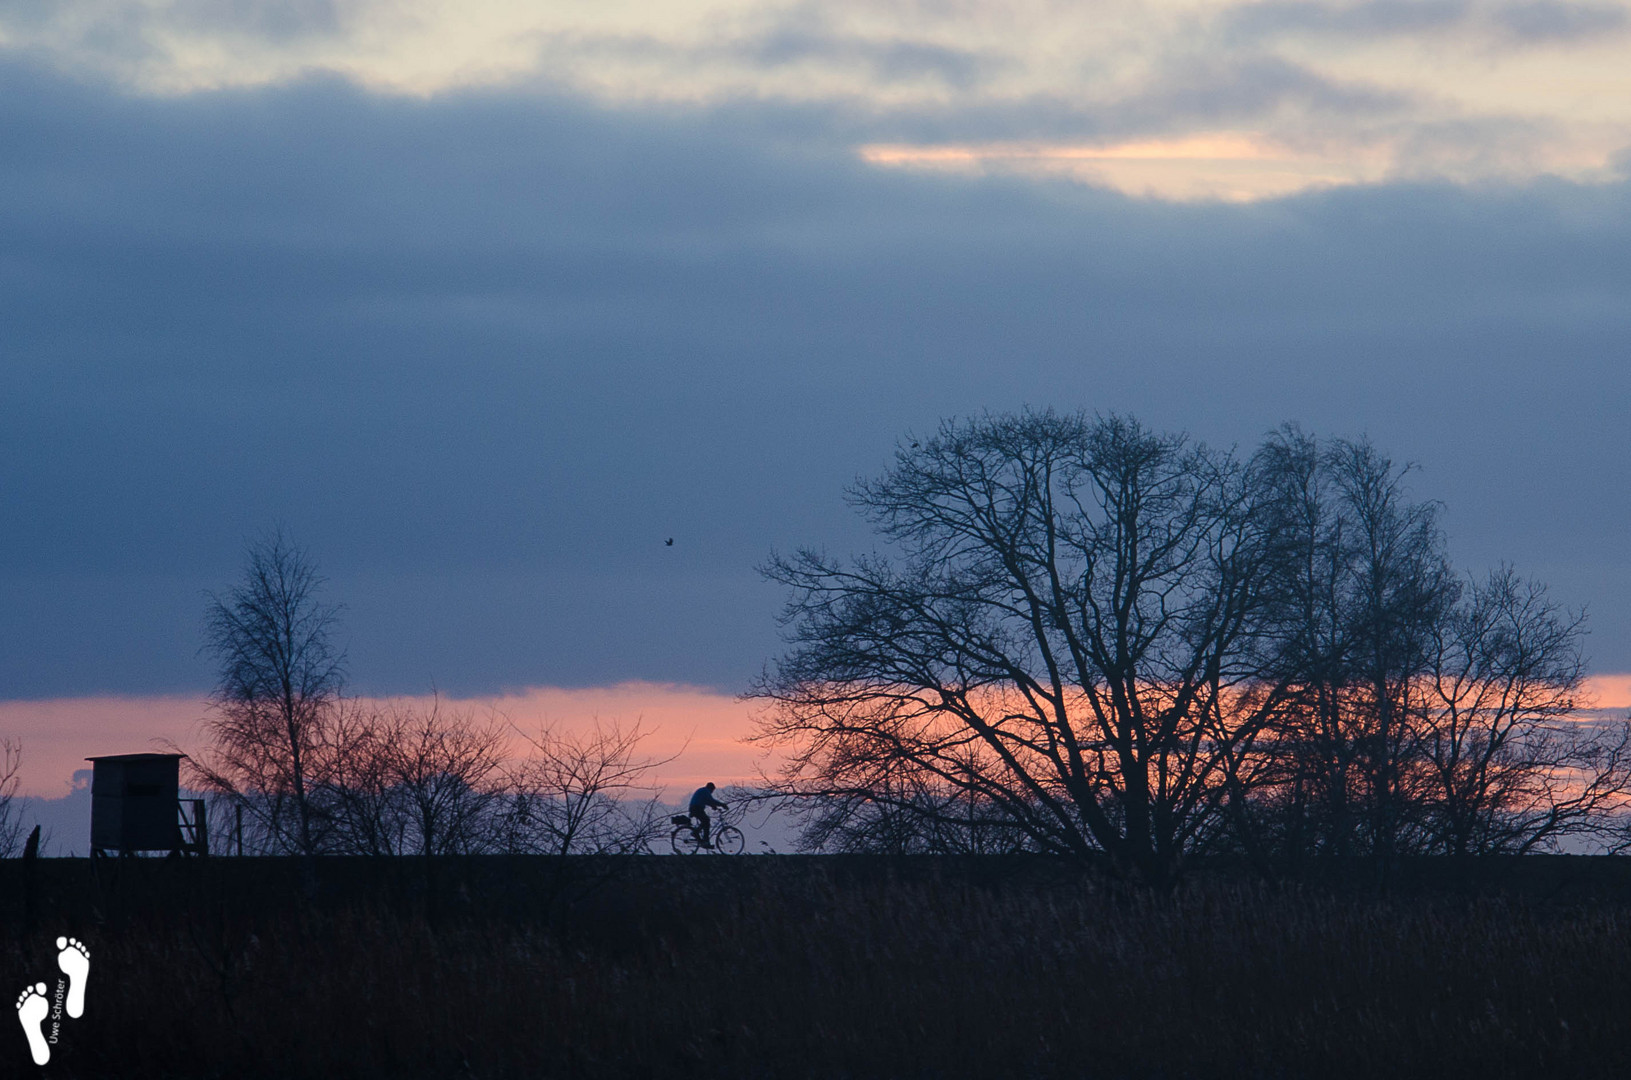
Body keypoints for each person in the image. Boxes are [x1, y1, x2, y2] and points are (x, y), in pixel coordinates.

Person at [688, 782, 728, 848]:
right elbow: (711, 800)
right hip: (697, 808)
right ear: (711, 788)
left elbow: (706, 801)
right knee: (706, 821)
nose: (712, 792)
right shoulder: (706, 791)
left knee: (705, 821)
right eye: (712, 791)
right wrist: (722, 804)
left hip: (695, 808)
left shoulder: (702, 790)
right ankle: (705, 840)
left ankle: (698, 835)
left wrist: (713, 806)